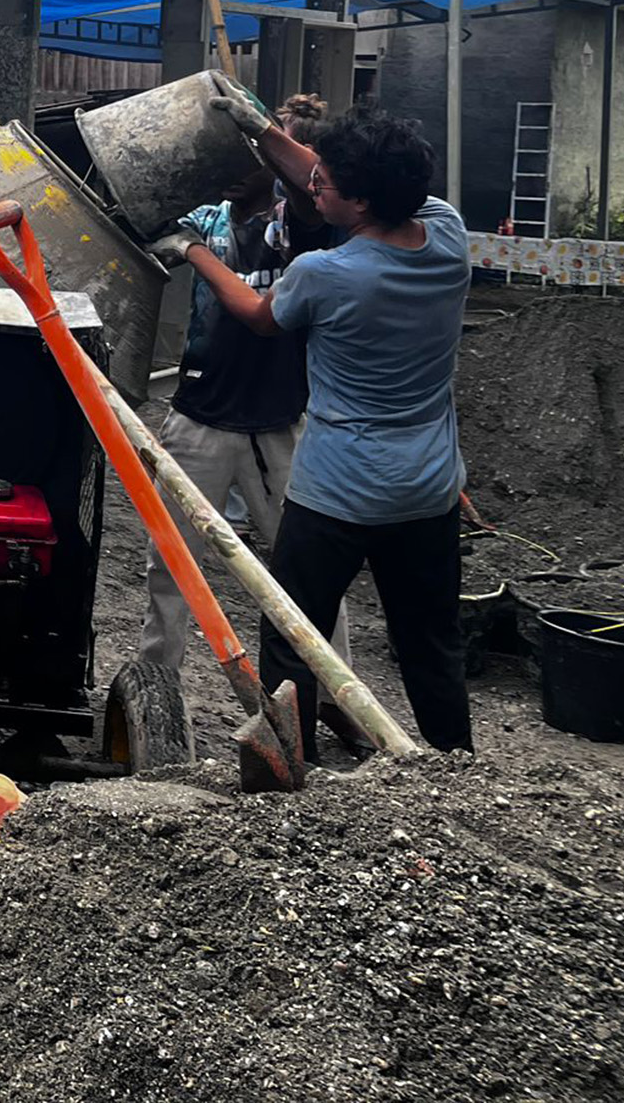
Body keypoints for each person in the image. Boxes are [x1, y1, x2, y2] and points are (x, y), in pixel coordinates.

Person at [174, 84, 473, 755]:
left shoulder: (326, 273)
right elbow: (341, 177)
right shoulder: (447, 234)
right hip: (427, 489)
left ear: (358, 202)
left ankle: (290, 765)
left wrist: (194, 251)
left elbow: (258, 317)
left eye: (324, 182)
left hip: (339, 491)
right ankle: (456, 765)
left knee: (293, 632)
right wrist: (261, 129)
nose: (312, 182)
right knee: (430, 637)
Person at [141, 97, 361, 718]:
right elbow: (138, 204)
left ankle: (339, 702)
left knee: (308, 574)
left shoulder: (301, 225)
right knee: (171, 566)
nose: (232, 168)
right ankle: (156, 692)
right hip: (197, 418)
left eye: (247, 154)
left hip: (277, 426)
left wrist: (265, 133)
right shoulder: (205, 219)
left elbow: (309, 184)